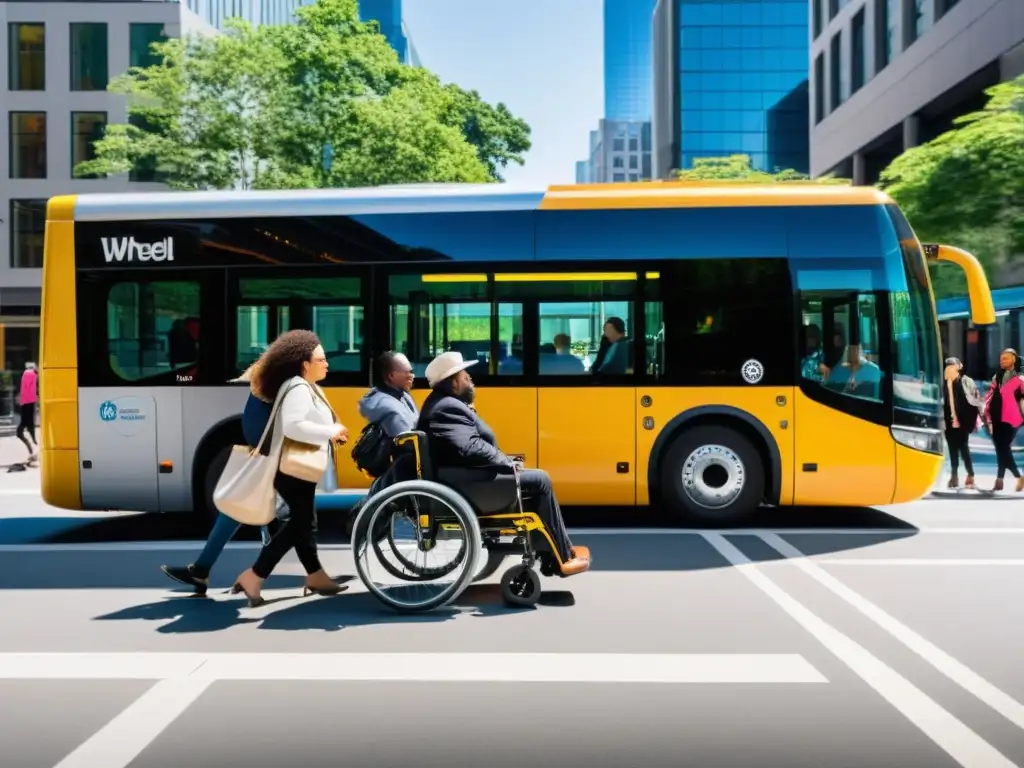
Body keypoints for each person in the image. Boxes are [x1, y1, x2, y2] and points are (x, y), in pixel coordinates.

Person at [417, 351, 590, 576]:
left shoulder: (446, 404)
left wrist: (506, 462)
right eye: (464, 374)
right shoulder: (447, 408)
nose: (470, 378)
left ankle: (553, 554)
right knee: (540, 480)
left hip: (465, 478)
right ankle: (560, 556)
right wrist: (507, 463)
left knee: (535, 481)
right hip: (467, 484)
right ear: (453, 382)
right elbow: (469, 448)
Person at [232, 330, 350, 606]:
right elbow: (294, 426)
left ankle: (315, 575)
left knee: (304, 523)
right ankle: (255, 575)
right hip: (291, 468)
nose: (327, 363)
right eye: (321, 359)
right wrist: (330, 431)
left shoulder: (305, 385)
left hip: (297, 467)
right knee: (301, 524)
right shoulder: (297, 387)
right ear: (304, 363)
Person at [160, 360, 289, 594]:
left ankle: (305, 575)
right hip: (269, 458)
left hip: (273, 459)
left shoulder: (281, 385)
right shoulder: (273, 385)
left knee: (292, 522)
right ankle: (202, 571)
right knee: (242, 511)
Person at [356, 351, 419, 493]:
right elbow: (410, 443)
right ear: (391, 376)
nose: (412, 376)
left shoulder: (401, 395)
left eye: (412, 372)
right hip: (402, 469)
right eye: (407, 373)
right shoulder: (388, 406)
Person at [983, 348, 1024, 492]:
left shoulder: (1020, 378)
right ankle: (1001, 480)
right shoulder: (997, 377)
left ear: (1013, 359)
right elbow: (990, 395)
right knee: (1000, 448)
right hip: (996, 416)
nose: (1002, 361)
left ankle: (1016, 477)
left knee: (1003, 447)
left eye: (1005, 358)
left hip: (1013, 417)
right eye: (1001, 358)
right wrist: (986, 411)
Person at [943, 357, 985, 489]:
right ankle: (954, 476)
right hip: (949, 421)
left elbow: (975, 400)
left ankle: (970, 475)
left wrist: (978, 417)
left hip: (963, 420)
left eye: (952, 365)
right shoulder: (946, 382)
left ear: (958, 367)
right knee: (952, 449)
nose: (949, 368)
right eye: (947, 365)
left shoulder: (966, 381)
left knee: (963, 448)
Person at [16, 362, 38, 463]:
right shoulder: (34, 375)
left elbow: (26, 389)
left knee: (21, 431)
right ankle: (32, 451)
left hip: (26, 404)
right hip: (30, 403)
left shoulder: (28, 374)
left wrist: (22, 401)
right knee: (28, 428)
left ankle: (33, 452)